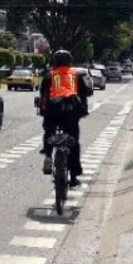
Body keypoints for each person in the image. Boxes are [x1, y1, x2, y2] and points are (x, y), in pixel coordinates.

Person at [38, 49, 90, 187]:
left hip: (52, 112)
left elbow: (42, 95)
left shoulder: (49, 75)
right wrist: (84, 109)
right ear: (69, 62)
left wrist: (43, 112)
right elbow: (84, 95)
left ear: (55, 61)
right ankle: (73, 177)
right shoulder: (76, 75)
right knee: (73, 142)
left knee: (49, 132)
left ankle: (48, 156)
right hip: (70, 113)